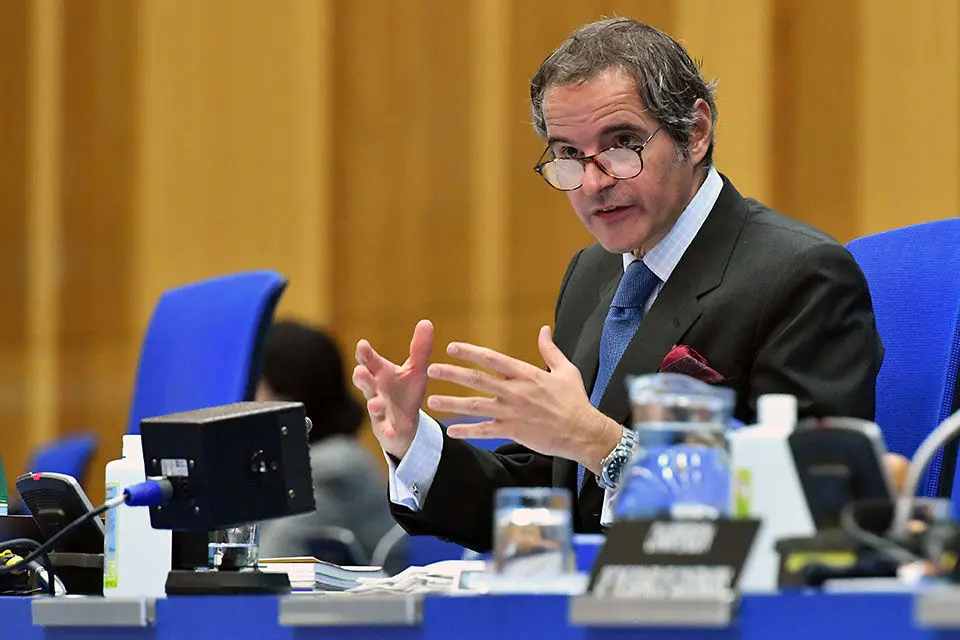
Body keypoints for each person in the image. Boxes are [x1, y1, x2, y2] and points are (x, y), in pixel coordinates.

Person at [351, 18, 889, 553]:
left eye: (622, 144)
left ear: (695, 133)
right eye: (568, 154)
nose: (593, 182)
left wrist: (601, 443)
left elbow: (810, 506)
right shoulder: (592, 274)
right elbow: (553, 493)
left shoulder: (800, 275)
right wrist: (414, 442)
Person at [256, 319, 397, 563]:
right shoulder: (299, 465)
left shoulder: (333, 470)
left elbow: (270, 563)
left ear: (285, 400)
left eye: (257, 389)